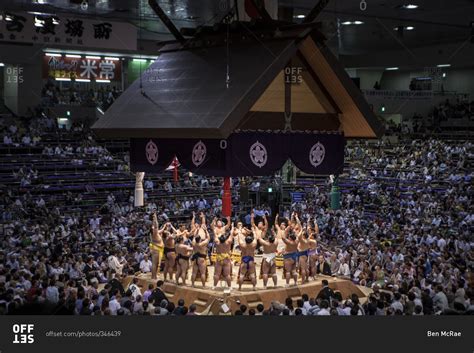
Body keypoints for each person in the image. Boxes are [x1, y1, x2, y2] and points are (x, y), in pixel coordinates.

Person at [281, 222, 301, 287]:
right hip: (294, 257)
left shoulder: (289, 242)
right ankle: (295, 283)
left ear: (291, 238)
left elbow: (283, 237)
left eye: (289, 237)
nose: (288, 237)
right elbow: (298, 235)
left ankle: (287, 284)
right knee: (294, 271)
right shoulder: (297, 241)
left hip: (288, 258)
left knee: (288, 271)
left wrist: (288, 227)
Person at [149, 213, 164, 280]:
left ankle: (153, 276)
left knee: (155, 263)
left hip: (156, 249)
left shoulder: (154, 233)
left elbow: (154, 226)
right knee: (155, 264)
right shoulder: (154, 233)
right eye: (154, 228)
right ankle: (154, 277)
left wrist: (153, 219)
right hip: (156, 250)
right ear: (153, 230)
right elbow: (156, 225)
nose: (155, 228)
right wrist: (155, 217)